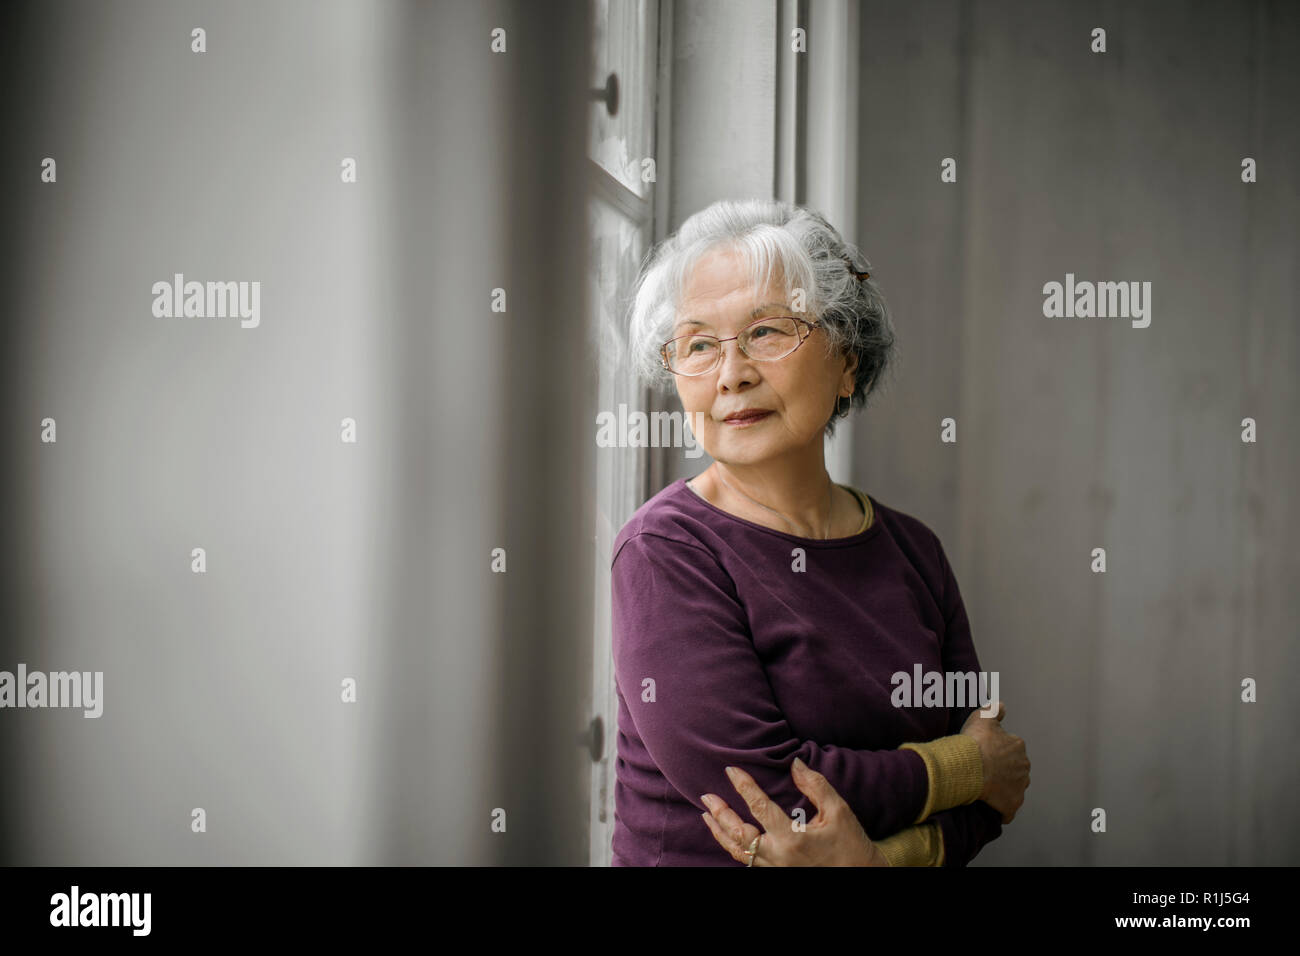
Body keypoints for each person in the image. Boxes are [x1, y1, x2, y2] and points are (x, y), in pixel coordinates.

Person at [610, 198, 1029, 866]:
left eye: (767, 333)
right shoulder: (665, 552)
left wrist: (878, 863)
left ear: (846, 362)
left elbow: (994, 793)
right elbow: (765, 795)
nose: (732, 373)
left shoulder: (915, 552)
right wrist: (958, 769)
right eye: (697, 345)